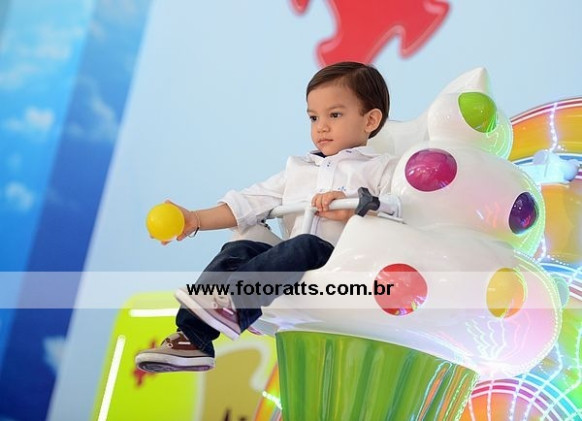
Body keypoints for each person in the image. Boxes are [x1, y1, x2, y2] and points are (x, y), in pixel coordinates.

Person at [135, 61, 396, 373]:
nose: (321, 127)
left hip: (344, 265)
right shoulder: (299, 169)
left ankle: (234, 303)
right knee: (243, 245)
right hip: (291, 267)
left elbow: (403, 208)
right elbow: (247, 203)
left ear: (370, 120)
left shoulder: (382, 168)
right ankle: (193, 338)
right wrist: (194, 219)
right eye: (314, 117)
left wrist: (354, 207)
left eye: (334, 115)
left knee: (306, 244)